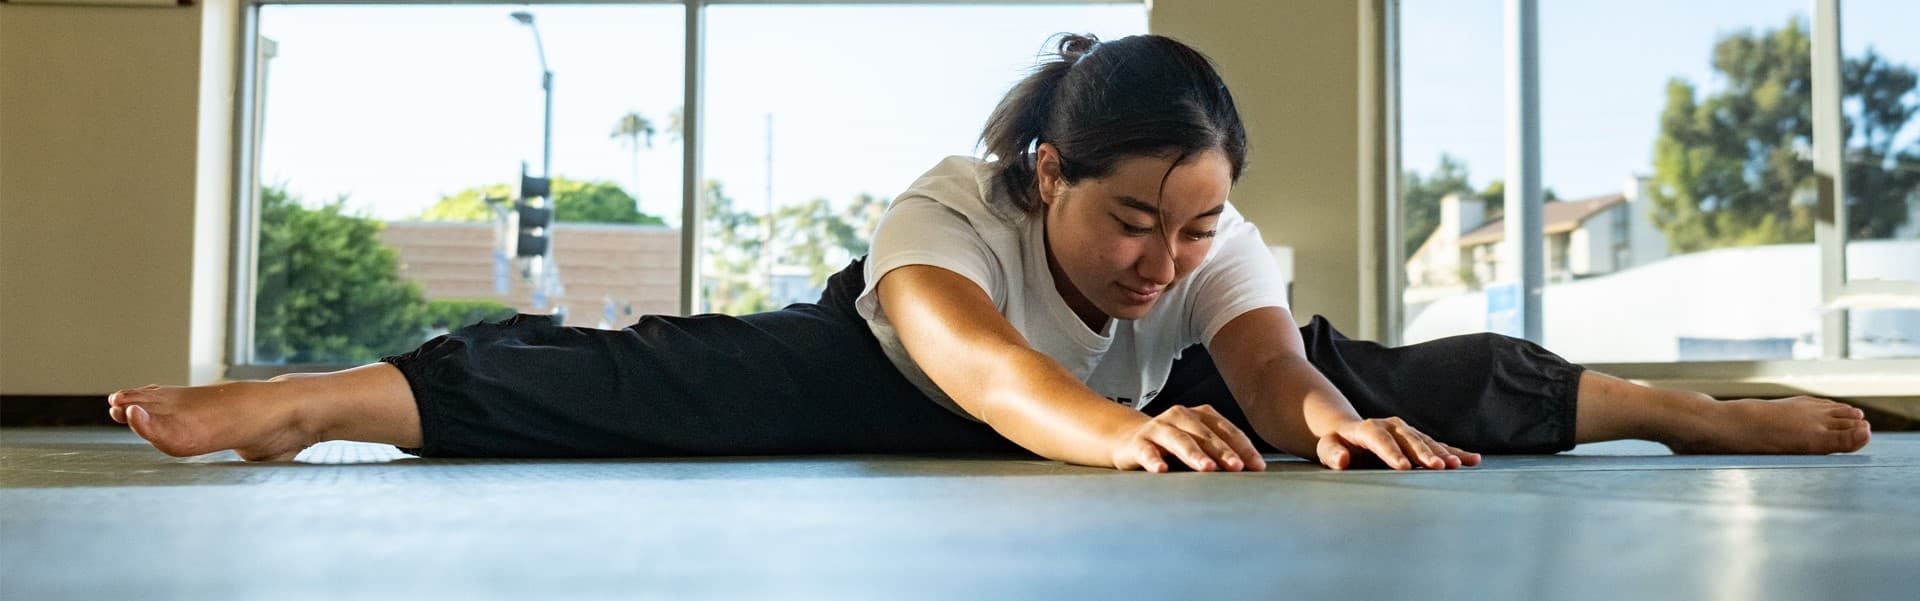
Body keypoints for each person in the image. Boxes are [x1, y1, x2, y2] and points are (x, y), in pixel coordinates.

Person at [107, 34, 1871, 472]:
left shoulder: (1203, 246)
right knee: (644, 372)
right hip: (905, 375)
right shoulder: (942, 215)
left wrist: (1308, 408)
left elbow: (1259, 352)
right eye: (1127, 219)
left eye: (1190, 224)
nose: (1157, 253)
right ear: (1046, 176)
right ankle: (307, 400)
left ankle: (1687, 409)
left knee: (1402, 373)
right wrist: (1118, 433)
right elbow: (973, 365)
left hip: (1135, 413)